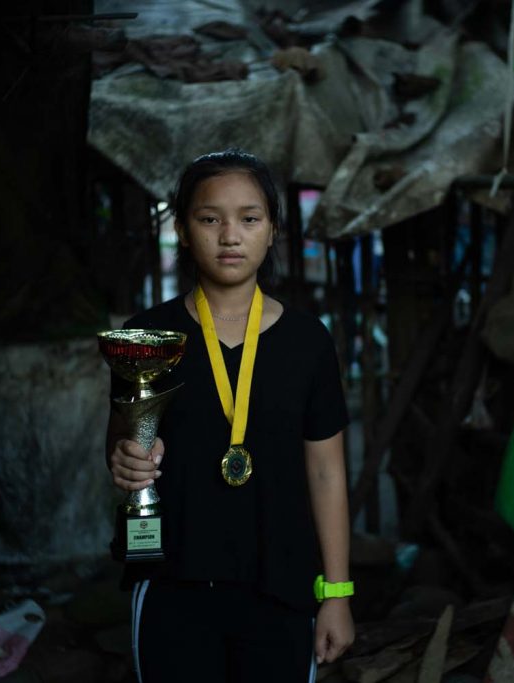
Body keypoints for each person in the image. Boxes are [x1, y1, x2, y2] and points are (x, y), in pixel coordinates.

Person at [105, 149, 355, 682]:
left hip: (281, 586)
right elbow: (124, 444)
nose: (229, 236)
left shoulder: (308, 343)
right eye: (209, 218)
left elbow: (327, 472)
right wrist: (125, 463)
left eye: (249, 218)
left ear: (272, 231)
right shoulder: (146, 337)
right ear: (183, 228)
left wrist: (336, 592)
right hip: (174, 583)